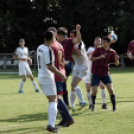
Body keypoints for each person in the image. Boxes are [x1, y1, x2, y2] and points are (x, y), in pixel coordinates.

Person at [37, 31, 66, 133]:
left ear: (44, 38)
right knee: (54, 100)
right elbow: (49, 66)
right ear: (54, 39)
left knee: (51, 101)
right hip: (47, 78)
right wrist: (61, 74)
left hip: (40, 76)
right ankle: (51, 125)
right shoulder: (48, 50)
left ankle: (50, 123)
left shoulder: (39, 47)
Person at [47, 27, 74, 127]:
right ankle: (64, 119)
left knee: (55, 98)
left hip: (55, 74)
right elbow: (63, 61)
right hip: (60, 72)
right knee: (55, 98)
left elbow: (50, 63)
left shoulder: (51, 46)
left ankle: (68, 118)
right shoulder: (60, 45)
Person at [90, 36, 120, 112]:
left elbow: (116, 64)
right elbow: (91, 58)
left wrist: (116, 59)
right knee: (94, 91)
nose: (103, 43)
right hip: (96, 73)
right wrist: (99, 57)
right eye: (102, 42)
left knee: (111, 90)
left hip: (105, 73)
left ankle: (114, 108)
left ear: (109, 43)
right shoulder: (98, 49)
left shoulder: (112, 52)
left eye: (105, 42)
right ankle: (93, 105)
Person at [57, 24, 81, 108]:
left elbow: (78, 40)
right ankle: (65, 103)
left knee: (60, 82)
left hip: (67, 64)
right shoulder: (56, 44)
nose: (56, 37)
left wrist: (77, 30)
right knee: (62, 84)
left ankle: (62, 103)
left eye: (58, 36)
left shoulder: (69, 41)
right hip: (60, 65)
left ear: (62, 36)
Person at [83, 37, 108, 109]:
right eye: (97, 41)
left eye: (99, 41)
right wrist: (93, 52)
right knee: (88, 89)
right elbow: (85, 56)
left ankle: (104, 103)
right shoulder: (90, 49)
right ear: (94, 42)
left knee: (102, 86)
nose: (98, 42)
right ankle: (91, 104)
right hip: (88, 71)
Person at [70, 41, 89, 111]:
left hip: (83, 68)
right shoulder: (67, 45)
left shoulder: (80, 43)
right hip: (76, 68)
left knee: (73, 84)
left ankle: (82, 101)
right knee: (73, 87)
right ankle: (72, 106)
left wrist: (72, 48)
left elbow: (79, 53)